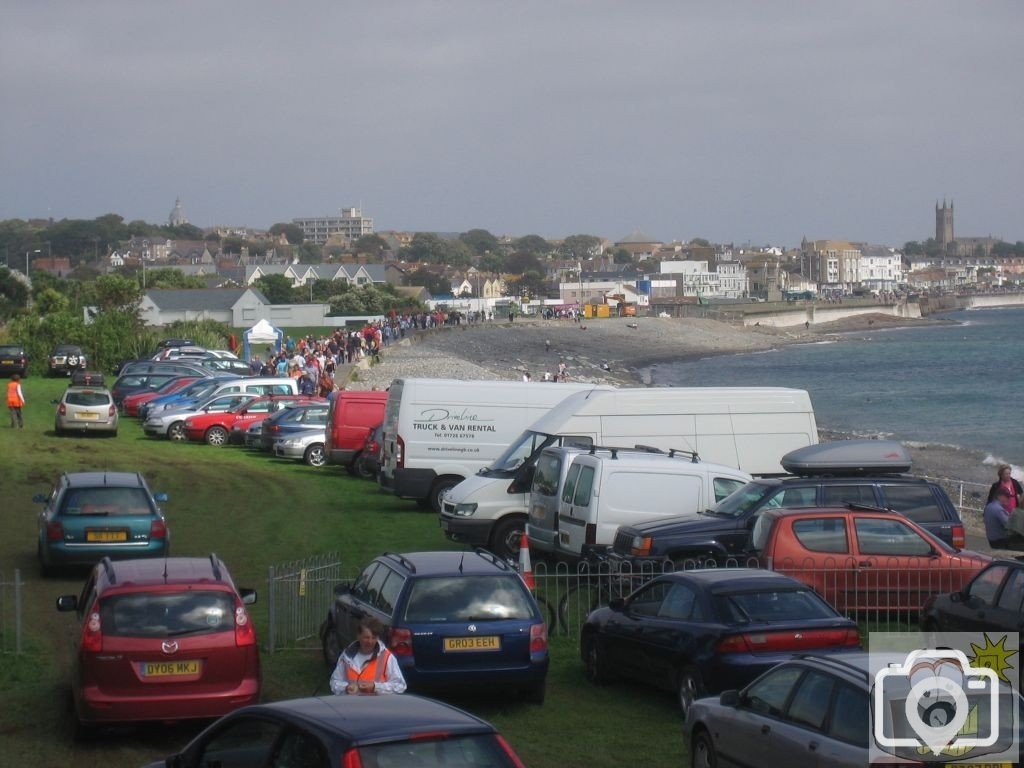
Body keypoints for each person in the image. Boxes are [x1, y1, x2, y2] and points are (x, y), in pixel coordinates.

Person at [329, 618, 406, 695]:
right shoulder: (346, 656)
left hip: (377, 705)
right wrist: (346, 687)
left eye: (373, 638)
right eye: (366, 637)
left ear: (378, 638)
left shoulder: (386, 657)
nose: (370, 641)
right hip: (351, 705)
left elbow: (400, 685)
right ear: (358, 636)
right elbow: (334, 682)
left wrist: (375, 687)